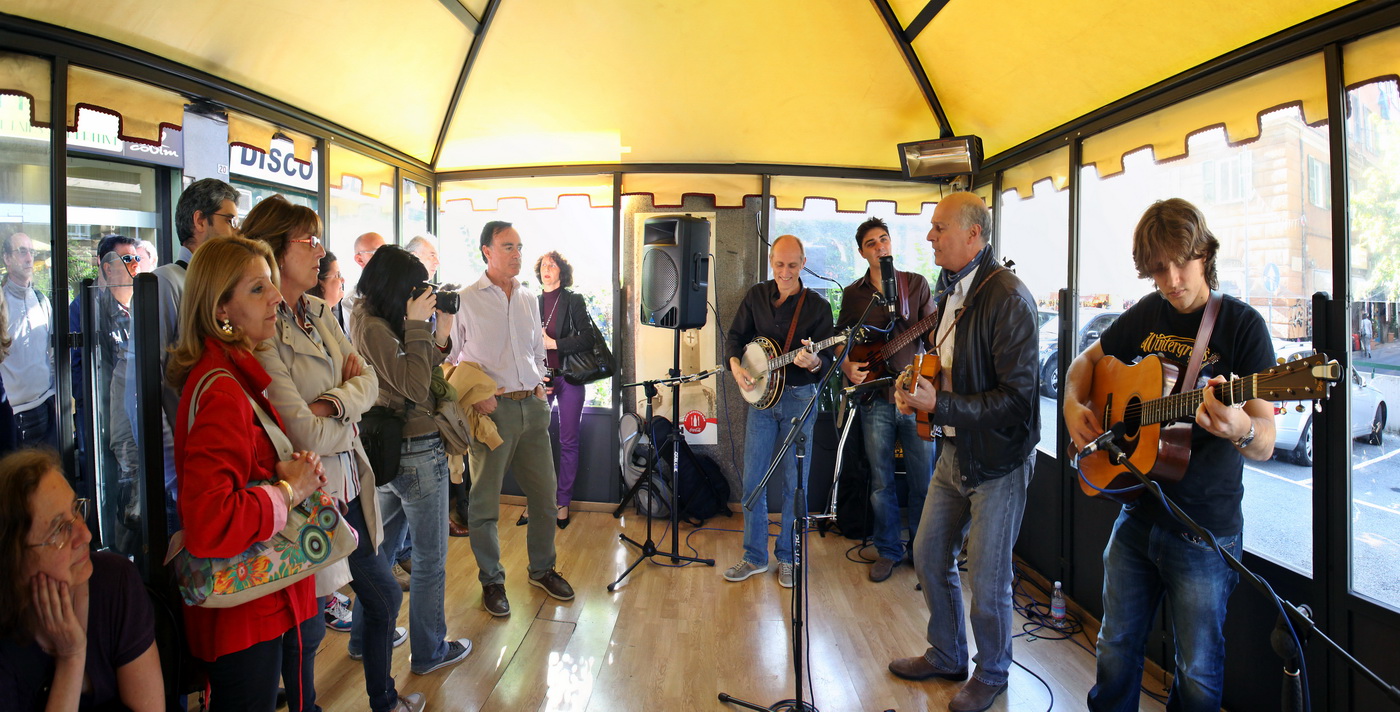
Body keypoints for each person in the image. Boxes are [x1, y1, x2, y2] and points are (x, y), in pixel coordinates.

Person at [1064, 199, 1275, 712]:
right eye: (1158, 269)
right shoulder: (1147, 313)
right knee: (1114, 646)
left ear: (1205, 253)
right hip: (1138, 511)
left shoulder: (1242, 326)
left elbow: (1266, 440)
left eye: (1182, 263)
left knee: (1197, 673)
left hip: (1204, 531)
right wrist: (1071, 404)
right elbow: (1085, 362)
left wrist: (1240, 428)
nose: (1172, 280)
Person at [242, 196, 420, 712]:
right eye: (310, 241)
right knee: (309, 628)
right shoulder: (263, 328)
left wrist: (331, 405)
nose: (321, 252)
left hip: (348, 485)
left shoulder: (318, 310)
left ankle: (382, 698)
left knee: (378, 598)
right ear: (275, 248)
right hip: (308, 495)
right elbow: (302, 433)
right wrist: (343, 410)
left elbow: (369, 382)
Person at [886, 192, 1040, 712]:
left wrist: (941, 404)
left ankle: (992, 672)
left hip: (999, 462)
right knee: (929, 553)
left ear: (974, 234)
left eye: (939, 227)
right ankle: (947, 653)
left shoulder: (1009, 298)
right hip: (954, 451)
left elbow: (1018, 402)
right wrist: (914, 389)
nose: (929, 236)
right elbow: (947, 363)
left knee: (989, 580)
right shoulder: (950, 288)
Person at [167, 236, 327, 711]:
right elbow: (210, 519)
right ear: (221, 310)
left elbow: (240, 471)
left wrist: (281, 470)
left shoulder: (230, 374)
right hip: (245, 609)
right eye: (258, 289)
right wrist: (288, 489)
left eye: (271, 284)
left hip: (258, 601)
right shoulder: (223, 389)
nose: (277, 297)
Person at [351, 245, 472, 675]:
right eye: (415, 286)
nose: (420, 293)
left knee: (382, 551)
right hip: (416, 449)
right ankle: (429, 651)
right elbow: (417, 387)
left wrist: (440, 332)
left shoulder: (374, 317)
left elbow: (419, 367)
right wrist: (419, 324)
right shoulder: (371, 326)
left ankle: (365, 640)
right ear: (395, 286)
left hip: (389, 449)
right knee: (428, 560)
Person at [449, 221, 574, 617]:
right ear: (486, 251)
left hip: (532, 409)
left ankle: (542, 569)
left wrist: (539, 385)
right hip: (492, 413)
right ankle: (492, 581)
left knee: (545, 499)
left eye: (519, 246)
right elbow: (448, 361)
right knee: (484, 505)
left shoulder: (527, 297)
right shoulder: (465, 300)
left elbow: (536, 349)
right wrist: (475, 395)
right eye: (508, 247)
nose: (517, 254)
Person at [0, 448, 163, 711]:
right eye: (59, 529)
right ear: (14, 558)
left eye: (76, 509)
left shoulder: (115, 582)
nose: (85, 535)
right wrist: (72, 659)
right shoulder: (7, 648)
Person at [723, 234, 835, 589]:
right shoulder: (756, 296)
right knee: (753, 480)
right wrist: (737, 368)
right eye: (779, 264)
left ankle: (788, 556)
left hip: (800, 399)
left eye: (792, 265)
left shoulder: (817, 306)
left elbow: (829, 359)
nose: (785, 272)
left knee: (794, 483)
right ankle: (754, 556)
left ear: (803, 263)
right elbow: (734, 338)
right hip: (761, 401)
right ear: (771, 262)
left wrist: (814, 361)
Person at [835, 217, 937, 582]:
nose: (880, 247)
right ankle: (889, 550)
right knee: (881, 482)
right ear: (862, 252)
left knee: (924, 480)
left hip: (914, 396)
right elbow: (841, 338)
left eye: (884, 239)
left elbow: (933, 337)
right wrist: (847, 366)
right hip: (875, 397)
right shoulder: (854, 294)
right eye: (872, 243)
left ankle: (924, 552)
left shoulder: (916, 284)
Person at [141, 177, 241, 535]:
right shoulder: (167, 281)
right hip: (187, 469)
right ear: (200, 220)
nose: (235, 230)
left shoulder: (217, 286)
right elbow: (147, 385)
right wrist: (173, 473)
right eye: (229, 219)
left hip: (218, 461)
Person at [533, 251, 590, 530]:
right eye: (544, 265)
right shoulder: (531, 302)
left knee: (568, 442)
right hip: (540, 380)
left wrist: (554, 344)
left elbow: (587, 339)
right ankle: (539, 501)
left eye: (552, 265)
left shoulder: (573, 300)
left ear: (561, 272)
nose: (547, 268)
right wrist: (535, 374)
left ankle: (563, 502)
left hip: (569, 379)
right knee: (534, 441)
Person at [2, 232, 57, 451]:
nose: (29, 258)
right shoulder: (2, 304)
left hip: (46, 408)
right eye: (22, 251)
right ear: (7, 258)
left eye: (31, 252)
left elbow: (52, 352)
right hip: (14, 414)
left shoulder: (42, 301)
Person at [306, 252, 347, 333]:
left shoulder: (330, 319)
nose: (343, 280)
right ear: (320, 283)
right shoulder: (313, 326)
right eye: (337, 275)